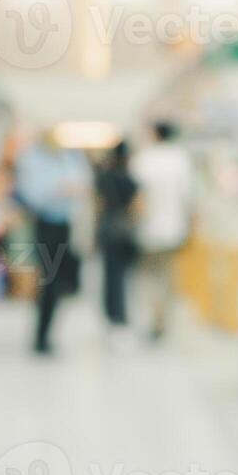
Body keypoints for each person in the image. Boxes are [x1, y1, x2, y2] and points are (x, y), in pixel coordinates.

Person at [14, 128, 88, 355]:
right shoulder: (32, 160)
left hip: (65, 225)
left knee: (57, 283)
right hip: (44, 224)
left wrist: (69, 190)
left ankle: (47, 334)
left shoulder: (69, 158)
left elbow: (82, 184)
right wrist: (58, 190)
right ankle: (41, 337)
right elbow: (32, 195)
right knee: (49, 280)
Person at [131, 122, 195, 342]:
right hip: (173, 229)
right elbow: (188, 197)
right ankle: (163, 320)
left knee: (149, 276)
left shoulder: (144, 159)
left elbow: (137, 198)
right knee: (167, 276)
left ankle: (154, 316)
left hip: (148, 229)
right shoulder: (180, 159)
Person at [95, 140, 139, 337]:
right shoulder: (130, 179)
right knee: (122, 276)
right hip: (124, 231)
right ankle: (120, 315)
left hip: (107, 229)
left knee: (109, 275)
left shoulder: (103, 178)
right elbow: (137, 207)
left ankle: (110, 313)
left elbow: (97, 205)